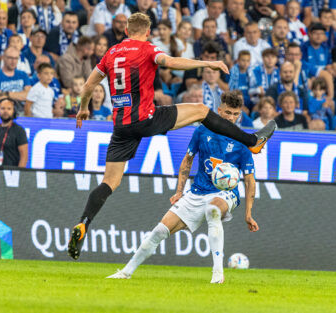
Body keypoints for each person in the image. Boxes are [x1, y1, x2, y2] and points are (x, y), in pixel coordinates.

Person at [66, 13, 276, 260]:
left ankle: (84, 223)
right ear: (147, 31)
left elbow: (89, 85)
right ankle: (252, 142)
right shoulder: (146, 48)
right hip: (146, 118)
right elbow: (169, 62)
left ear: (125, 29)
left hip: (121, 125)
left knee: (109, 182)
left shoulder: (111, 52)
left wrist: (82, 107)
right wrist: (205, 64)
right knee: (201, 110)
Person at [107, 90, 259, 283]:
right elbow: (187, 161)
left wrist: (248, 213)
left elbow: (249, 180)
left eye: (235, 114)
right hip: (197, 191)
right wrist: (179, 191)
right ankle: (125, 272)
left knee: (213, 210)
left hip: (225, 192)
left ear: (240, 115)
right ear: (219, 110)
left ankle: (218, 274)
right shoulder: (203, 131)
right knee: (160, 231)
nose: (231, 117)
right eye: (227, 112)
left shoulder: (243, 142)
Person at [0, 98, 28, 167]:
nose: (5, 111)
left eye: (9, 109)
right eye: (3, 108)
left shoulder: (19, 130)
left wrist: (20, 173)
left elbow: (24, 156)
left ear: (14, 111)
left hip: (12, 171)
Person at [0, 46, 31, 111]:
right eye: (10, 58)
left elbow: (30, 96)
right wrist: (20, 95)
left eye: (16, 58)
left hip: (22, 111)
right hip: (4, 112)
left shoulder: (23, 75)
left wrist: (7, 94)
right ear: (4, 58)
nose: (13, 61)